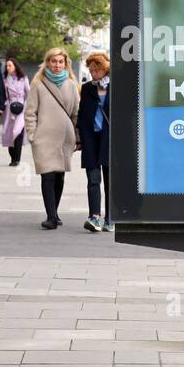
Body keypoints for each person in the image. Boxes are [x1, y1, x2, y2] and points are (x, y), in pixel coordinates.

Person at [23, 47, 79, 229]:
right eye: (53, 61)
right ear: (47, 63)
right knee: (47, 176)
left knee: (59, 176)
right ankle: (51, 216)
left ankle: (55, 211)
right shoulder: (38, 84)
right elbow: (30, 112)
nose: (56, 65)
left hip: (64, 138)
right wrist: (32, 135)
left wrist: (77, 137)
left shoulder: (71, 85)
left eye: (60, 62)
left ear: (65, 64)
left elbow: (76, 114)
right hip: (43, 138)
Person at [77, 52, 111, 232]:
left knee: (110, 179)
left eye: (96, 70)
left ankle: (111, 218)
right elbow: (82, 114)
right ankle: (95, 216)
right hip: (91, 138)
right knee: (93, 178)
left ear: (105, 69)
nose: (93, 74)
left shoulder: (117, 86)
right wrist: (80, 136)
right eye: (90, 71)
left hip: (109, 139)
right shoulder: (87, 88)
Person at [1, 57, 30, 166]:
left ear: (15, 66)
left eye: (10, 65)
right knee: (9, 133)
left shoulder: (23, 78)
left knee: (18, 132)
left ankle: (17, 159)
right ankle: (13, 156)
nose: (8, 68)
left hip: (21, 108)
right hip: (10, 109)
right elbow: (3, 95)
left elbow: (29, 93)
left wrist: (27, 106)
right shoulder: (5, 80)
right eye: (7, 66)